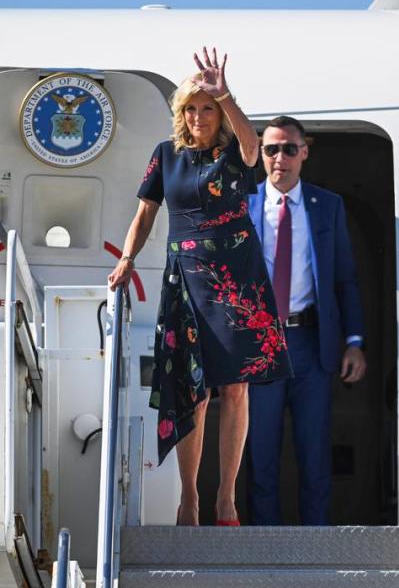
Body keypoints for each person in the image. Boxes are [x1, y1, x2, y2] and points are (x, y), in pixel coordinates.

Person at [108, 49, 293, 527]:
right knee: (193, 391)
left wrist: (224, 93)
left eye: (206, 108)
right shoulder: (165, 155)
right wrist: (126, 260)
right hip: (186, 274)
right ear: (180, 114)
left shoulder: (233, 152)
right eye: (191, 108)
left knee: (235, 388)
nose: (198, 116)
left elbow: (254, 151)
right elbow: (145, 215)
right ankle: (189, 499)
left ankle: (226, 499)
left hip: (236, 276)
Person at [246, 116, 366, 526]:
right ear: (260, 153)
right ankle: (263, 549)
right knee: (261, 452)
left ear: (305, 152)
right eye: (271, 149)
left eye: (289, 149)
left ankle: (315, 543)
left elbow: (345, 277)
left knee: (313, 451)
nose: (280, 158)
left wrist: (354, 341)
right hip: (260, 346)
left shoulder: (327, 205)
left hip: (310, 344)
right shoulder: (244, 205)